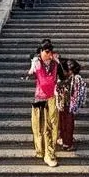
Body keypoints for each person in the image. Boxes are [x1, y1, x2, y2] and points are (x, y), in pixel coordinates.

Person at [28, 39, 60, 167]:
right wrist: (34, 61)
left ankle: (49, 153)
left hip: (52, 97)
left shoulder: (55, 63)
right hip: (39, 97)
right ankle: (40, 150)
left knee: (50, 125)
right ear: (41, 52)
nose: (48, 54)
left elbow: (62, 74)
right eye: (46, 52)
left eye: (50, 51)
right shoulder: (37, 62)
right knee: (38, 126)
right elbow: (30, 71)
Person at [56, 58, 87, 152]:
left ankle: (62, 138)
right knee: (69, 124)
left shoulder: (61, 79)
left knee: (62, 122)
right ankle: (67, 144)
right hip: (69, 105)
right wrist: (80, 103)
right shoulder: (76, 79)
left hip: (62, 104)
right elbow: (80, 93)